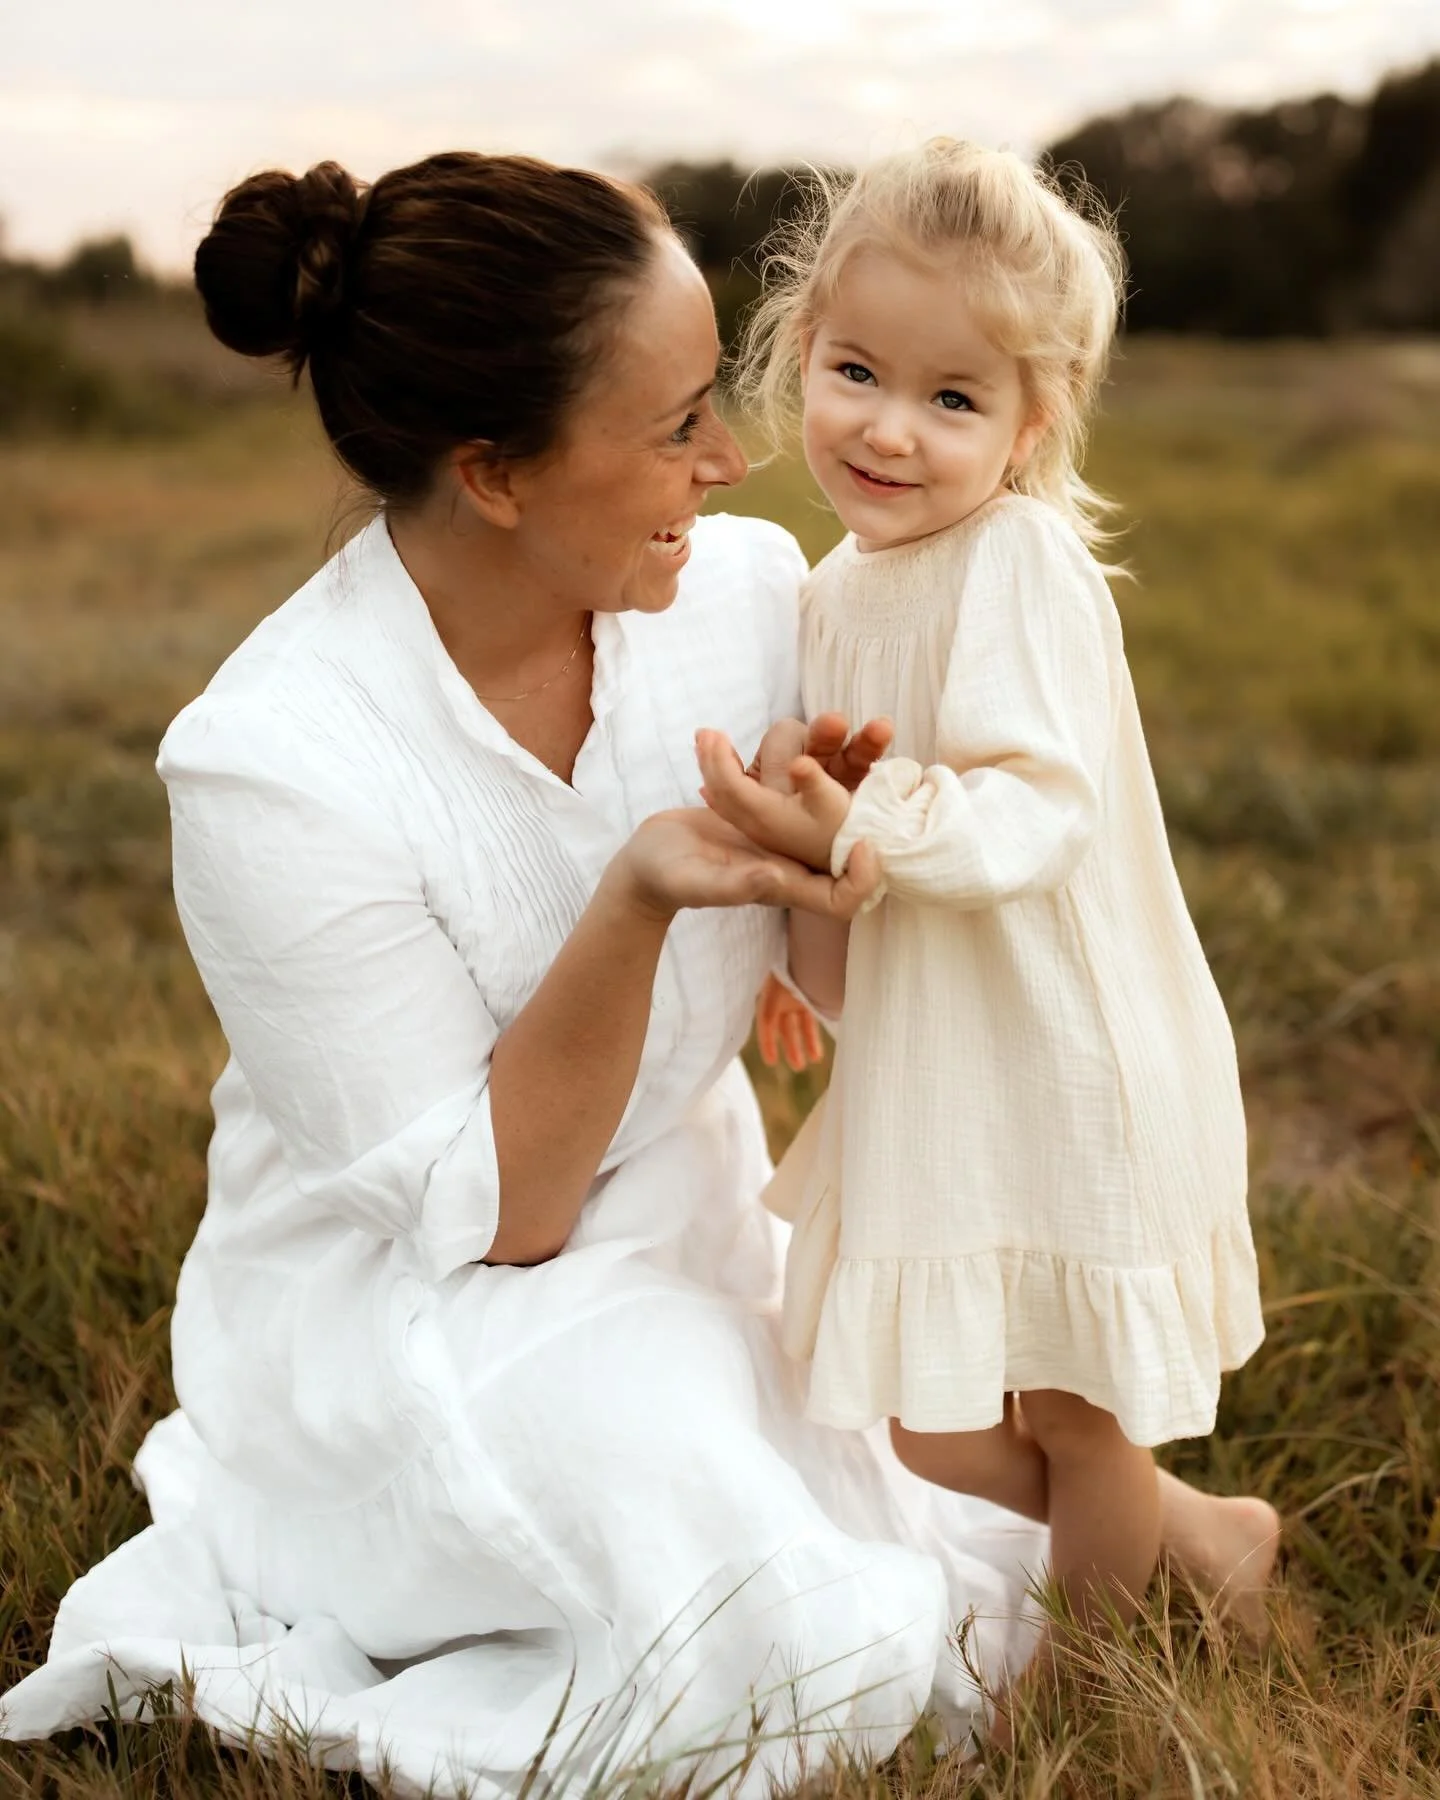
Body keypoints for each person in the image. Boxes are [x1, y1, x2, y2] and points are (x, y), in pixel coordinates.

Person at [0, 149, 1047, 1797]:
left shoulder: (748, 594)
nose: (733, 459)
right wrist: (634, 903)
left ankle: (1103, 1531)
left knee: (923, 1407)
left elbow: (840, 986)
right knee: (703, 1533)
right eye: (677, 425)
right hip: (409, 1300)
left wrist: (845, 861)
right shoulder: (273, 765)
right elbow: (493, 1217)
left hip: (690, 1210)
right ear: (492, 473)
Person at [694, 139, 1280, 1721]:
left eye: (952, 399)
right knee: (932, 1425)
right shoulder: (832, 592)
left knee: (1078, 1416)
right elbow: (851, 830)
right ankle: (1212, 1542)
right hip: (946, 1067)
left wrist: (855, 826)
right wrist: (809, 932)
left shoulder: (1016, 560)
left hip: (1064, 1049)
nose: (889, 428)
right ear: (800, 355)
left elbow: (1033, 807)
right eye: (857, 372)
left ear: (1032, 426)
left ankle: (1081, 1698)